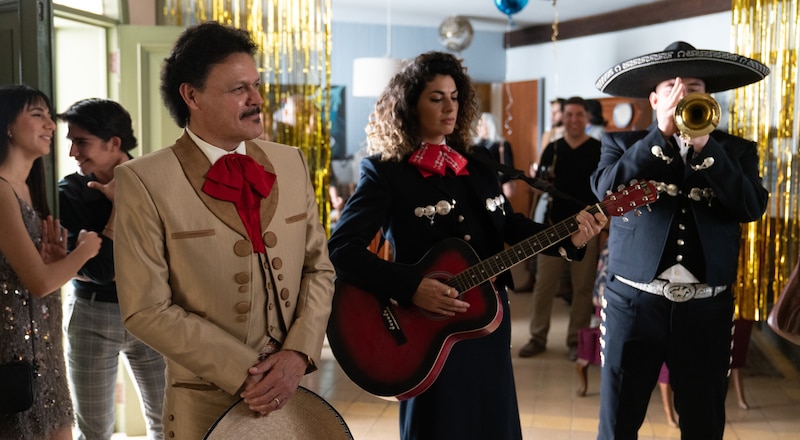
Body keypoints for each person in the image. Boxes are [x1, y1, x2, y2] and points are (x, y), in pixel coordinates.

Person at [327, 51, 607, 440]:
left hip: (488, 321)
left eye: (455, 96)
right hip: (425, 327)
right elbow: (342, 250)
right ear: (410, 105)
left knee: (493, 422)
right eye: (436, 97)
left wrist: (569, 237)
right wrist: (411, 287)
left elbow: (510, 225)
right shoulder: (386, 170)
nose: (449, 107)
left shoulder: (479, 161)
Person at [113, 22, 335, 439]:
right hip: (204, 402)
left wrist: (297, 354)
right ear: (191, 96)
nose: (257, 100)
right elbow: (145, 309)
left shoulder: (291, 162)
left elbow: (318, 269)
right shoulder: (143, 181)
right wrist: (244, 373)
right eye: (239, 90)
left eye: (256, 84)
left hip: (292, 393)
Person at [591, 41, 770, 439]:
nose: (684, 96)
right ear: (655, 98)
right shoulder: (620, 144)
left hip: (707, 309)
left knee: (704, 423)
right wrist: (661, 135)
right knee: (618, 422)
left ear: (708, 98)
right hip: (633, 304)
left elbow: (751, 206)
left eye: (694, 88)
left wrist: (707, 148)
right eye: (673, 88)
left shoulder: (736, 151)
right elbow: (606, 194)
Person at [57, 98, 166, 440]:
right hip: (91, 315)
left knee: (168, 423)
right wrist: (121, 206)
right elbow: (100, 271)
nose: (73, 151)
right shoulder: (68, 192)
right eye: (71, 141)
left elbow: (173, 255)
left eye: (82, 142)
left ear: (114, 143)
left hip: (153, 310)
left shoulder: (156, 180)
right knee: (93, 431)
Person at [0, 84, 102, 439]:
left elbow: (42, 277)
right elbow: (40, 282)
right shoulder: (1, 190)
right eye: (37, 115)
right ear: (8, 126)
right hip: (14, 351)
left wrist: (59, 261)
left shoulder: (28, 187)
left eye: (49, 116)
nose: (51, 125)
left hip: (44, 349)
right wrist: (84, 250)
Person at [519, 97, 601, 361]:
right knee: (544, 285)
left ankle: (575, 340)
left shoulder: (599, 149)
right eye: (569, 115)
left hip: (587, 228)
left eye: (579, 115)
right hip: (553, 227)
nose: (574, 120)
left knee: (582, 287)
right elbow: (541, 185)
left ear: (587, 119)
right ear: (562, 118)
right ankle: (537, 337)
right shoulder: (553, 148)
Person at [473, 112, 515, 199]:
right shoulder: (474, 146)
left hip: (495, 187)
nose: (478, 127)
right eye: (478, 124)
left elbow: (508, 168)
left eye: (481, 124)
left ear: (489, 126)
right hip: (477, 187)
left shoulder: (501, 145)